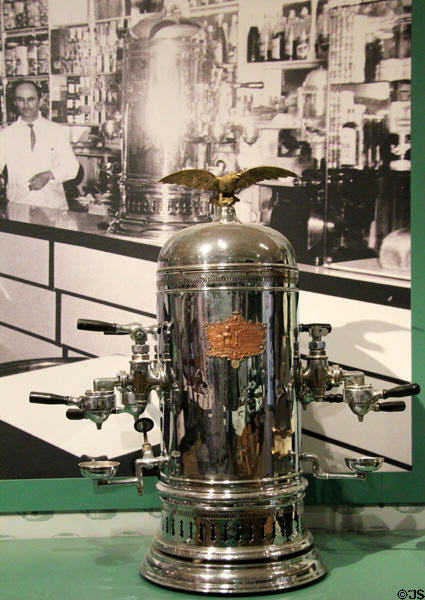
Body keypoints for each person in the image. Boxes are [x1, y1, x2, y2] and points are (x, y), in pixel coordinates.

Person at [0, 80, 79, 209]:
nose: (26, 105)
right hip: (19, 207)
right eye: (20, 100)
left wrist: (49, 175)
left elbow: (72, 167)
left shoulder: (56, 131)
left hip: (53, 208)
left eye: (31, 99)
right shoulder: (5, 135)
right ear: (15, 102)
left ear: (40, 100)